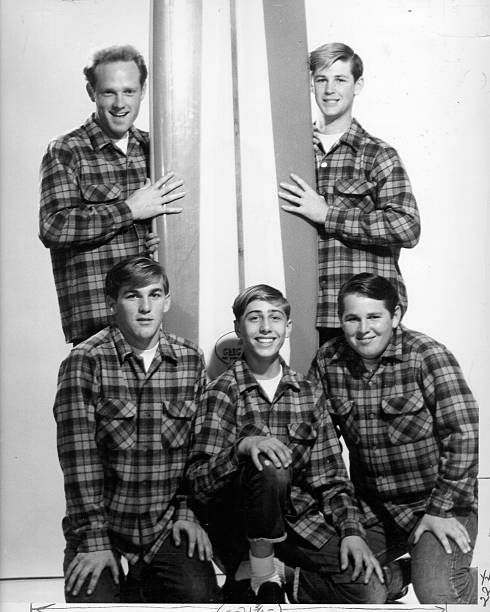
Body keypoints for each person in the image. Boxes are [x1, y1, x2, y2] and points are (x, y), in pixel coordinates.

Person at [186, 284, 397, 604]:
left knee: (368, 591)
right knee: (270, 466)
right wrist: (240, 449)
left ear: (288, 328)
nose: (266, 327)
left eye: (275, 318)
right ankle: (258, 570)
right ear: (238, 329)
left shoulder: (308, 393)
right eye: (254, 318)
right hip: (240, 532)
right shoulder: (220, 392)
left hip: (299, 523)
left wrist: (351, 532)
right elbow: (198, 484)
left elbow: (332, 480)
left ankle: (281, 573)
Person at [53, 256, 220, 603]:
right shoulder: (86, 361)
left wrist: (188, 513)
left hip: (164, 527)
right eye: (132, 296)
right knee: (92, 604)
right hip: (104, 530)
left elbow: (200, 449)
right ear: (112, 303)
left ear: (167, 301)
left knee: (202, 598)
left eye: (155, 295)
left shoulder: (189, 359)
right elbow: (79, 460)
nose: (146, 307)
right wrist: (95, 541)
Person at [309, 272, 478, 604]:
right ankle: (399, 575)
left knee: (437, 594)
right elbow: (325, 456)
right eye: (352, 319)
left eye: (374, 316)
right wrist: (350, 527)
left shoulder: (426, 355)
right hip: (373, 510)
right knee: (351, 580)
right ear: (340, 320)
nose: (363, 329)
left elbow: (464, 433)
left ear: (396, 316)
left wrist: (440, 510)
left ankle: (448, 575)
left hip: (436, 505)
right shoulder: (327, 362)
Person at [39, 45, 185, 345]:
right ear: (91, 91)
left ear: (143, 91)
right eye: (109, 92)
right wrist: (129, 210)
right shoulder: (66, 150)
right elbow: (54, 226)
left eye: (129, 91)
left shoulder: (156, 149)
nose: (120, 103)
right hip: (99, 327)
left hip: (157, 328)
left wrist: (157, 239)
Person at [278, 42, 420, 345]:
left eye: (340, 80)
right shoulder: (292, 153)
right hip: (307, 315)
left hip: (363, 319)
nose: (330, 89)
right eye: (321, 80)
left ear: (358, 86)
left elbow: (407, 226)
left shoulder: (377, 155)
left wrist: (328, 214)